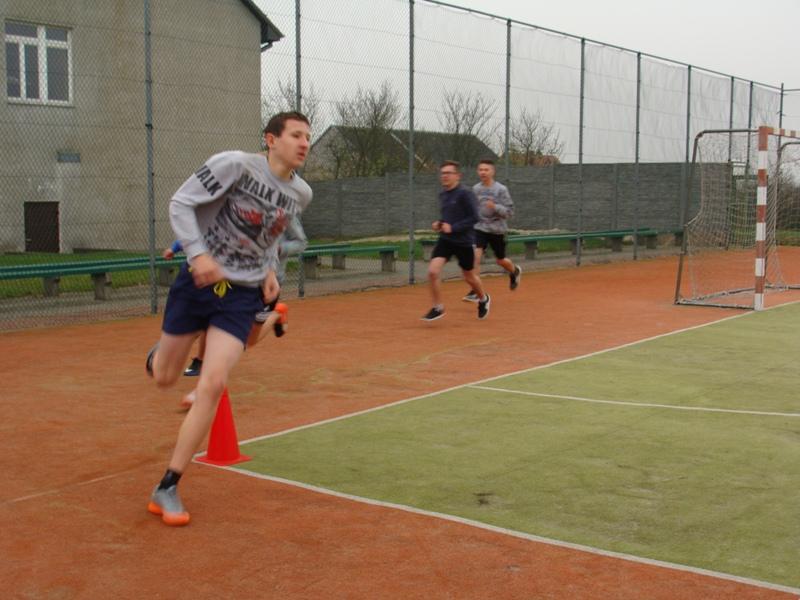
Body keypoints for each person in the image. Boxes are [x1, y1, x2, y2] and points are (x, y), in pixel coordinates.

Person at [144, 111, 312, 526]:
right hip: (198, 282)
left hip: (242, 293)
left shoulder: (301, 193)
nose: (304, 142)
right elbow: (181, 203)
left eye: (307, 136)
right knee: (166, 377)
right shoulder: (234, 164)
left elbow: (269, 234)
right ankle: (160, 355)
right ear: (271, 139)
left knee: (214, 382)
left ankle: (167, 485)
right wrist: (197, 255)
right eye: (295, 135)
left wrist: (270, 270)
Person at [422, 160, 490, 322]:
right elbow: (449, 217)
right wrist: (439, 224)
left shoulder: (465, 193)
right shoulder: (443, 194)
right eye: (443, 173)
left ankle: (483, 298)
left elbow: (475, 217)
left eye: (448, 173)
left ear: (457, 176)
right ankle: (438, 307)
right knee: (432, 272)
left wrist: (453, 227)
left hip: (464, 242)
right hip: (446, 240)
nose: (444, 176)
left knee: (469, 277)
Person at [463, 159, 521, 302]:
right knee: (475, 258)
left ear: (492, 171)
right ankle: (476, 291)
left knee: (501, 260)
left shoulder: (501, 189)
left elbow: (510, 212)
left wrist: (495, 207)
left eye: (486, 169)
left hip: (497, 230)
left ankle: (515, 271)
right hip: (480, 228)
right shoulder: (476, 189)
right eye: (480, 169)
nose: (483, 172)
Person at [163, 241, 204, 376]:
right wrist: (173, 248)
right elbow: (189, 234)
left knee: (208, 321)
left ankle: (201, 360)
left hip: (218, 276)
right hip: (192, 273)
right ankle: (173, 346)